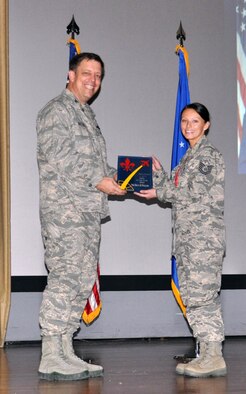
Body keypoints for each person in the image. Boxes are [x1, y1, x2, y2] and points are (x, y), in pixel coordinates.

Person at [37, 52, 126, 381]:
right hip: (65, 213)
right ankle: (50, 353)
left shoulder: (86, 115)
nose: (93, 80)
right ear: (70, 75)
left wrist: (128, 177)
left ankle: (65, 351)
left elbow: (98, 168)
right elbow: (62, 157)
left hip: (87, 213)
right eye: (86, 73)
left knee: (80, 281)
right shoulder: (55, 111)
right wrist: (100, 180)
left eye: (98, 76)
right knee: (63, 280)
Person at [135, 103, 227, 378]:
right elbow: (177, 188)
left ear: (206, 125)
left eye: (195, 121)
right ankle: (206, 354)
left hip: (203, 242)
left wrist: (158, 190)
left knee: (204, 299)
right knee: (194, 298)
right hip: (189, 242)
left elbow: (189, 192)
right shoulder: (189, 157)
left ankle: (213, 356)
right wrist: (161, 174)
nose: (188, 126)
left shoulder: (206, 156)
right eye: (184, 121)